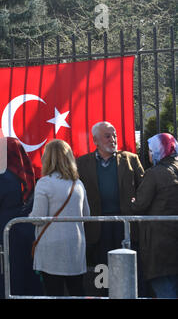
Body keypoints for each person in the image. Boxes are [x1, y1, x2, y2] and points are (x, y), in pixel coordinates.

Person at [76, 121, 144, 295]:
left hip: (125, 225)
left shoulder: (131, 159)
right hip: (98, 226)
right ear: (95, 140)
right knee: (102, 269)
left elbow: (143, 187)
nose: (113, 139)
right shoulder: (82, 163)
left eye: (114, 135)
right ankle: (103, 295)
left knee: (127, 269)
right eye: (108, 136)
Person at [0, 137, 43, 298]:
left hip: (4, 237)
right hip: (26, 234)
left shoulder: (2, 177)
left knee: (4, 279)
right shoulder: (28, 173)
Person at [29, 139, 90, 297]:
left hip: (52, 248)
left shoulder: (45, 183)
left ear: (47, 158)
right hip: (75, 246)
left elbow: (37, 218)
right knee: (77, 291)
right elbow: (87, 216)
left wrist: (28, 216)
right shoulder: (78, 184)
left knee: (53, 292)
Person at [130, 133, 178, 298]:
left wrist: (134, 200)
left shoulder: (154, 174)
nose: (149, 154)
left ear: (159, 151)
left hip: (160, 243)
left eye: (151, 150)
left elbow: (139, 206)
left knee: (165, 290)